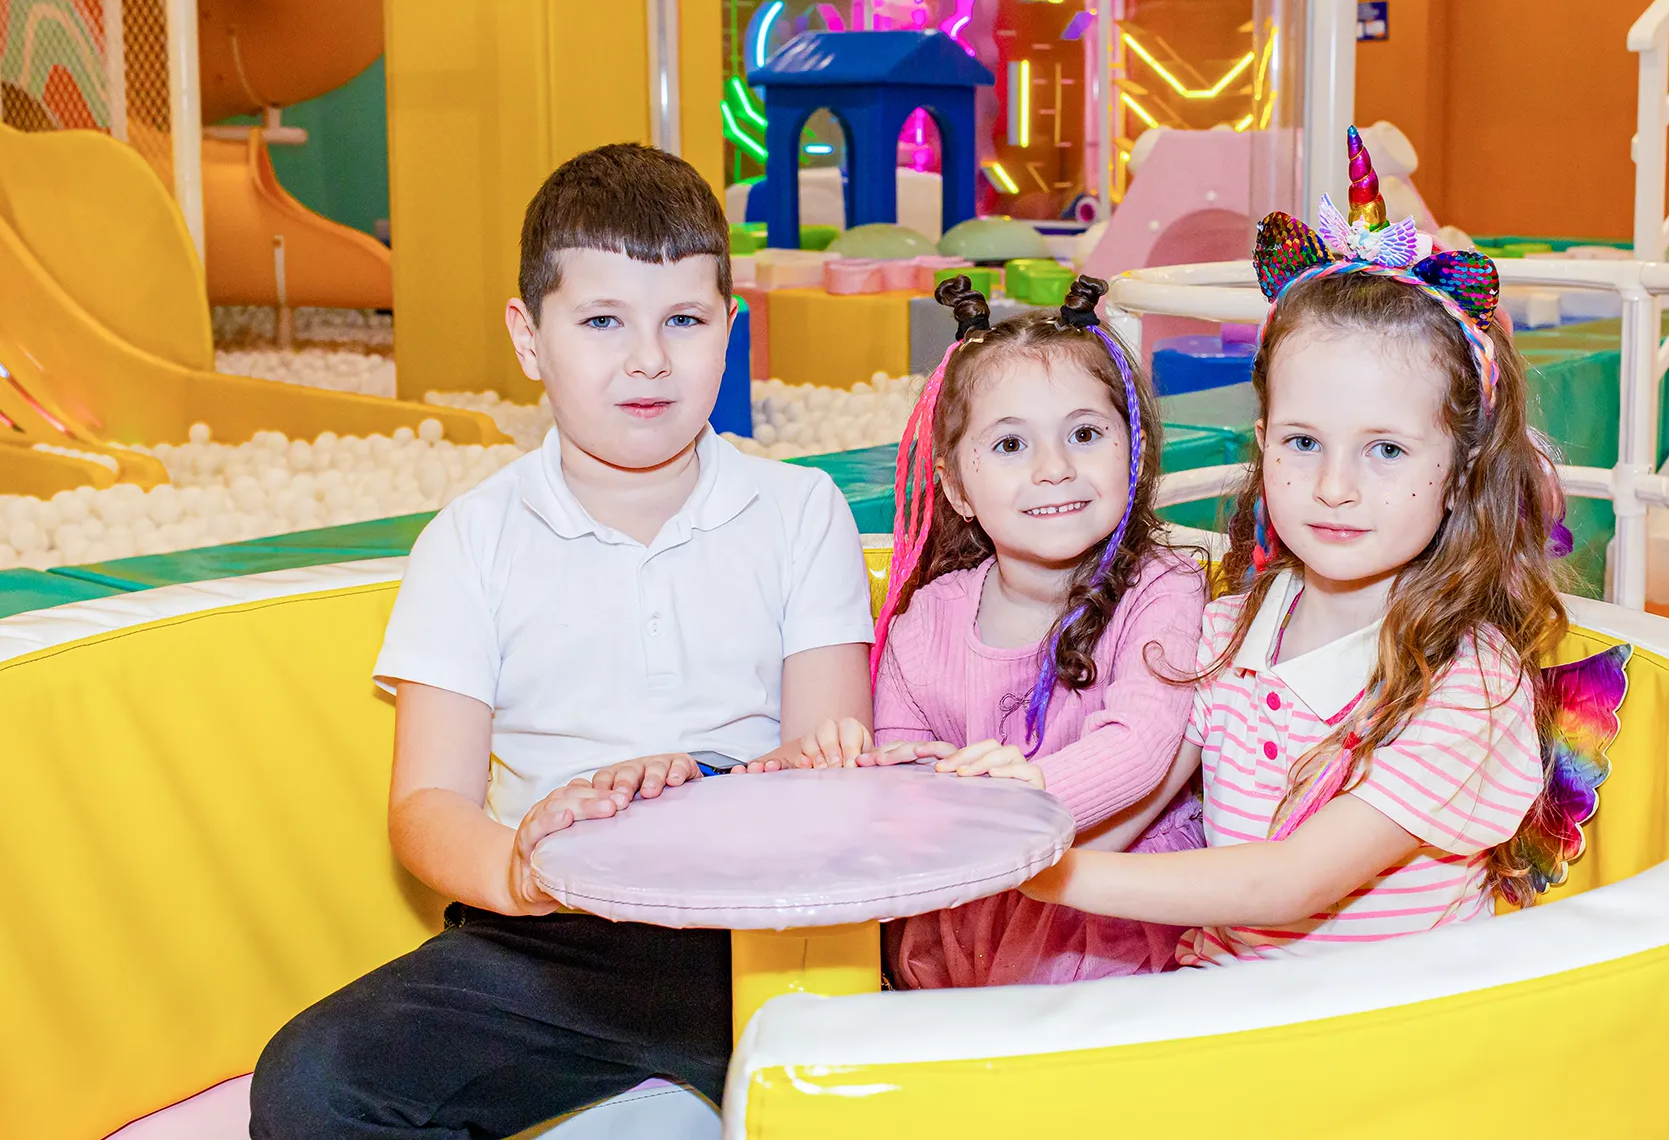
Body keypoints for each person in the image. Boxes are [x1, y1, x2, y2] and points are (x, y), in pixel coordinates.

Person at [249, 143, 875, 1136]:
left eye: (683, 320)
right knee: (311, 1082)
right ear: (529, 337)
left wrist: (717, 785)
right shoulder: (472, 538)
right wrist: (524, 868)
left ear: (729, 329)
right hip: (549, 943)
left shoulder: (799, 510)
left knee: (904, 1080)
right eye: (601, 321)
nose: (648, 359)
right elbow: (426, 805)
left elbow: (828, 765)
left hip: (759, 934)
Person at [1024, 139, 1588, 962]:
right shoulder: (1229, 630)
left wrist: (1052, 874)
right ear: (1262, 441)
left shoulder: (1467, 681)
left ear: (1460, 471)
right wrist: (1014, 835)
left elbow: (1288, 883)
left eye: (1385, 450)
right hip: (1229, 994)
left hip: (1379, 1022)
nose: (1333, 486)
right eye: (1303, 442)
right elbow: (1136, 801)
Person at [847, 275, 1208, 987]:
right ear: (957, 487)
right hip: (967, 911)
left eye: (1084, 434)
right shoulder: (927, 622)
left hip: (1112, 918)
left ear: (1133, 451)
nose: (1053, 469)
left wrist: (1024, 792)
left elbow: (1141, 744)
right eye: (1011, 444)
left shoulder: (1163, 589)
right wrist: (918, 789)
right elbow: (898, 772)